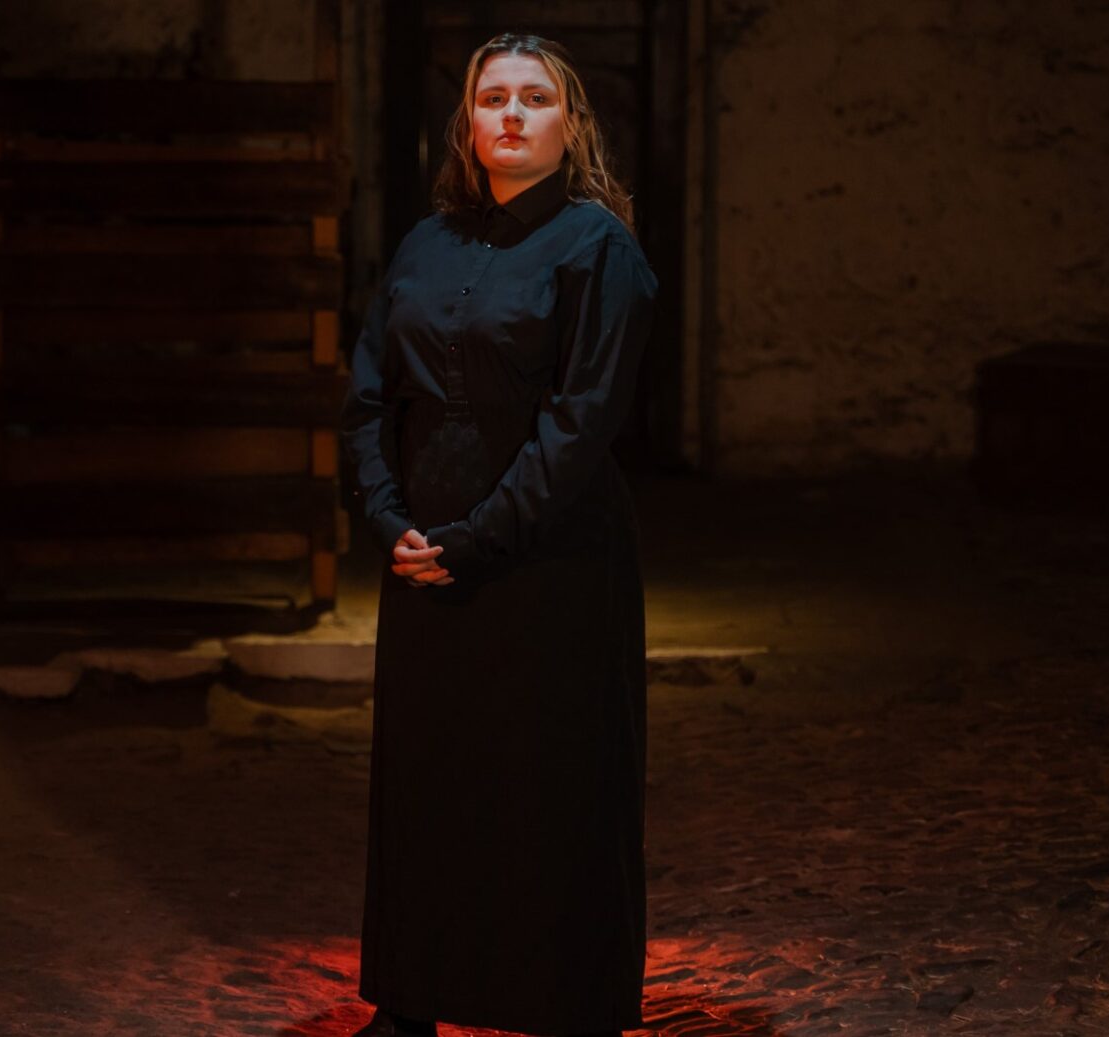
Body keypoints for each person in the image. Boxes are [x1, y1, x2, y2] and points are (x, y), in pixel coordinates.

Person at [338, 30, 659, 1037]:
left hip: (549, 551)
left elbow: (582, 417)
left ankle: (567, 1006)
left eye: (534, 99)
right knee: (428, 779)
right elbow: (366, 395)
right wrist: (391, 519)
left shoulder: (601, 249)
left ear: (571, 126)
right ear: (468, 124)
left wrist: (477, 537)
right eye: (492, 99)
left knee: (550, 780)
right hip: (423, 549)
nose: (511, 114)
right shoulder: (425, 243)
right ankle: (413, 1000)